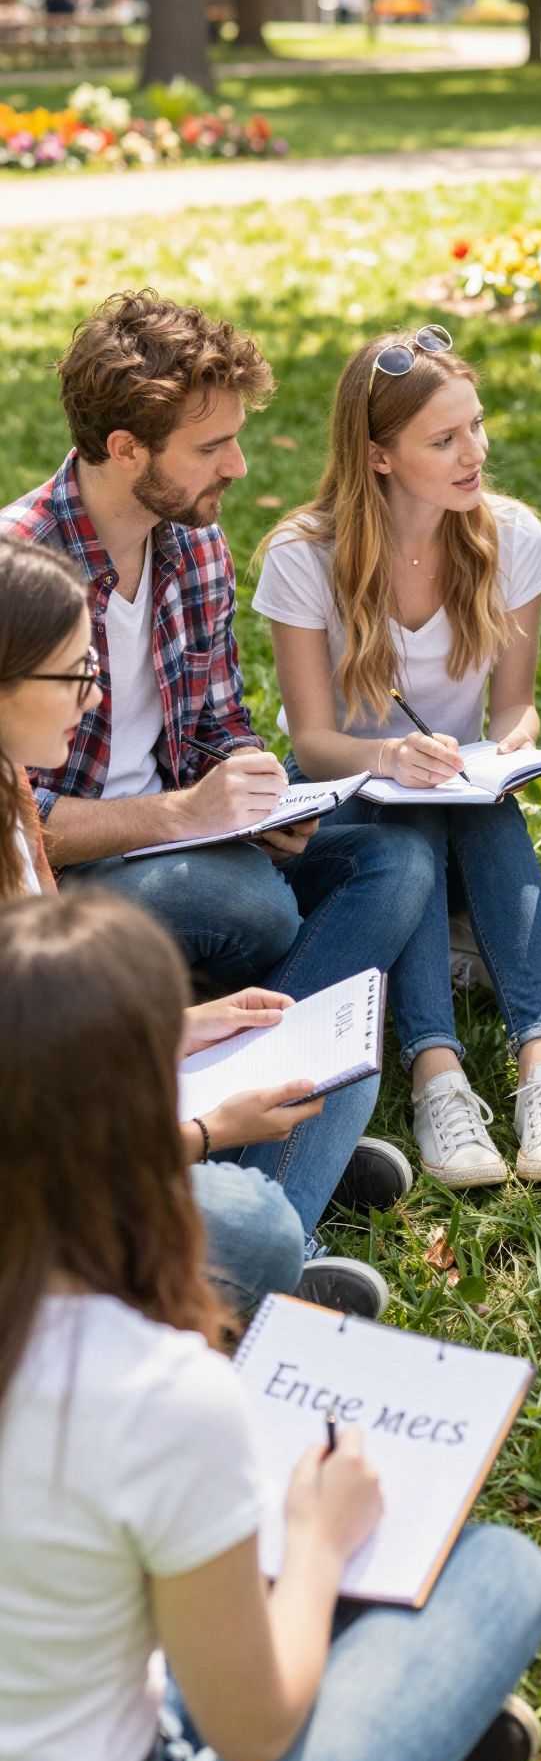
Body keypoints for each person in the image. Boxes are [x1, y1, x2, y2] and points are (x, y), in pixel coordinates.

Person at [0, 890, 541, 1761]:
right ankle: (393, 1760)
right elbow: (253, 1730)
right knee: (500, 1575)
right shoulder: (149, 1385)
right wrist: (319, 1540)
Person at [0, 294, 431, 1236]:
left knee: (394, 858)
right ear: (126, 449)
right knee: (245, 903)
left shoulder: (195, 544)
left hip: (196, 846)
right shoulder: (19, 574)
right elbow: (16, 829)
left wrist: (257, 791)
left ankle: (269, 1099)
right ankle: (275, 1167)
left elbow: (217, 724)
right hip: (75, 895)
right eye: (212, 446)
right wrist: (183, 817)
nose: (238, 465)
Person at [0, 533, 401, 1321]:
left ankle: (261, 1189)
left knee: (340, 1065)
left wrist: (180, 1029)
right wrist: (206, 1131)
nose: (93, 698)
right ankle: (276, 1222)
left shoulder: (12, 789)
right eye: (77, 674)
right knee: (257, 1232)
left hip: (73, 1107)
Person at [251, 325, 541, 1188]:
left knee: (477, 804)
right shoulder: (304, 555)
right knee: (411, 823)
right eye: (444, 440)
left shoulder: (510, 537)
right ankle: (438, 1077)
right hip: (348, 791)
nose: (474, 452)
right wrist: (388, 758)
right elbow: (312, 741)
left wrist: (508, 744)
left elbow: (513, 705)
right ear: (378, 456)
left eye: (476, 425)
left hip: (461, 788)